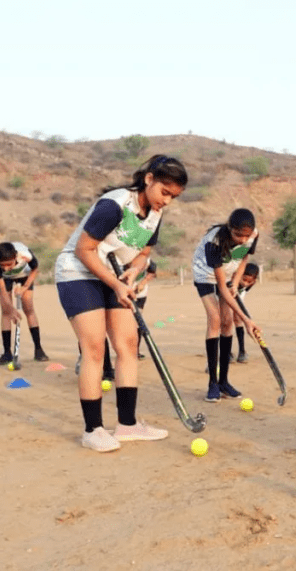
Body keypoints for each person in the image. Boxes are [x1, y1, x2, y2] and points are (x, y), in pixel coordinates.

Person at [54, 154, 187, 452]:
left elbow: (144, 252)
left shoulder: (156, 213)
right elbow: (84, 249)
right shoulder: (114, 205)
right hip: (78, 272)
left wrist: (134, 271)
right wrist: (115, 283)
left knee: (128, 346)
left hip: (115, 275)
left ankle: (127, 424)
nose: (167, 201)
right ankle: (93, 430)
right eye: (164, 192)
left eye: (173, 197)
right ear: (149, 179)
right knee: (94, 348)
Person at [191, 209, 261, 402]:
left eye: (246, 235)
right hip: (205, 274)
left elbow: (245, 256)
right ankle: (212, 383)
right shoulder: (215, 242)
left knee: (228, 322)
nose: (242, 239)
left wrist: (236, 282)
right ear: (230, 228)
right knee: (215, 319)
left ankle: (224, 382)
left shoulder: (253, 235)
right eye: (238, 234)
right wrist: (247, 320)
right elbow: (221, 287)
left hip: (229, 273)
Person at [0, 241, 49, 364]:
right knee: (6, 311)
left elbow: (35, 269)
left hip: (24, 275)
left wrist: (25, 287)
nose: (6, 268)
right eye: (3, 265)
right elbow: (1, 287)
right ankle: (7, 353)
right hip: (5, 279)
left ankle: (38, 350)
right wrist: (11, 309)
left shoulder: (25, 255)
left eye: (9, 264)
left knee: (28, 308)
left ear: (15, 257)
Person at [231, 262, 259, 363]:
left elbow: (244, 290)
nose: (246, 283)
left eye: (249, 281)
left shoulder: (251, 283)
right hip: (227, 294)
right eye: (244, 279)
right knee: (227, 320)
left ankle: (241, 351)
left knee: (238, 320)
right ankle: (228, 352)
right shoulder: (232, 278)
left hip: (239, 295)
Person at [133, 259, 157, 360]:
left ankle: (135, 351)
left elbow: (153, 271)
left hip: (140, 295)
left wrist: (143, 282)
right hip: (124, 292)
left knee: (137, 322)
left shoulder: (146, 260)